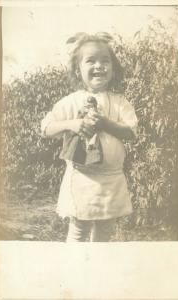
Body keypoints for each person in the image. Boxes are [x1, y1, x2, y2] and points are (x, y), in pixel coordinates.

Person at [41, 32, 138, 242]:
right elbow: (46, 127)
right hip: (81, 179)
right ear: (78, 69)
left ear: (113, 68)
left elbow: (131, 133)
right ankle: (74, 271)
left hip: (111, 179)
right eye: (91, 61)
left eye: (105, 61)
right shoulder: (71, 101)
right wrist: (73, 124)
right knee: (79, 229)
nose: (99, 66)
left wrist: (105, 123)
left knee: (104, 231)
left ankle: (97, 272)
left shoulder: (120, 102)